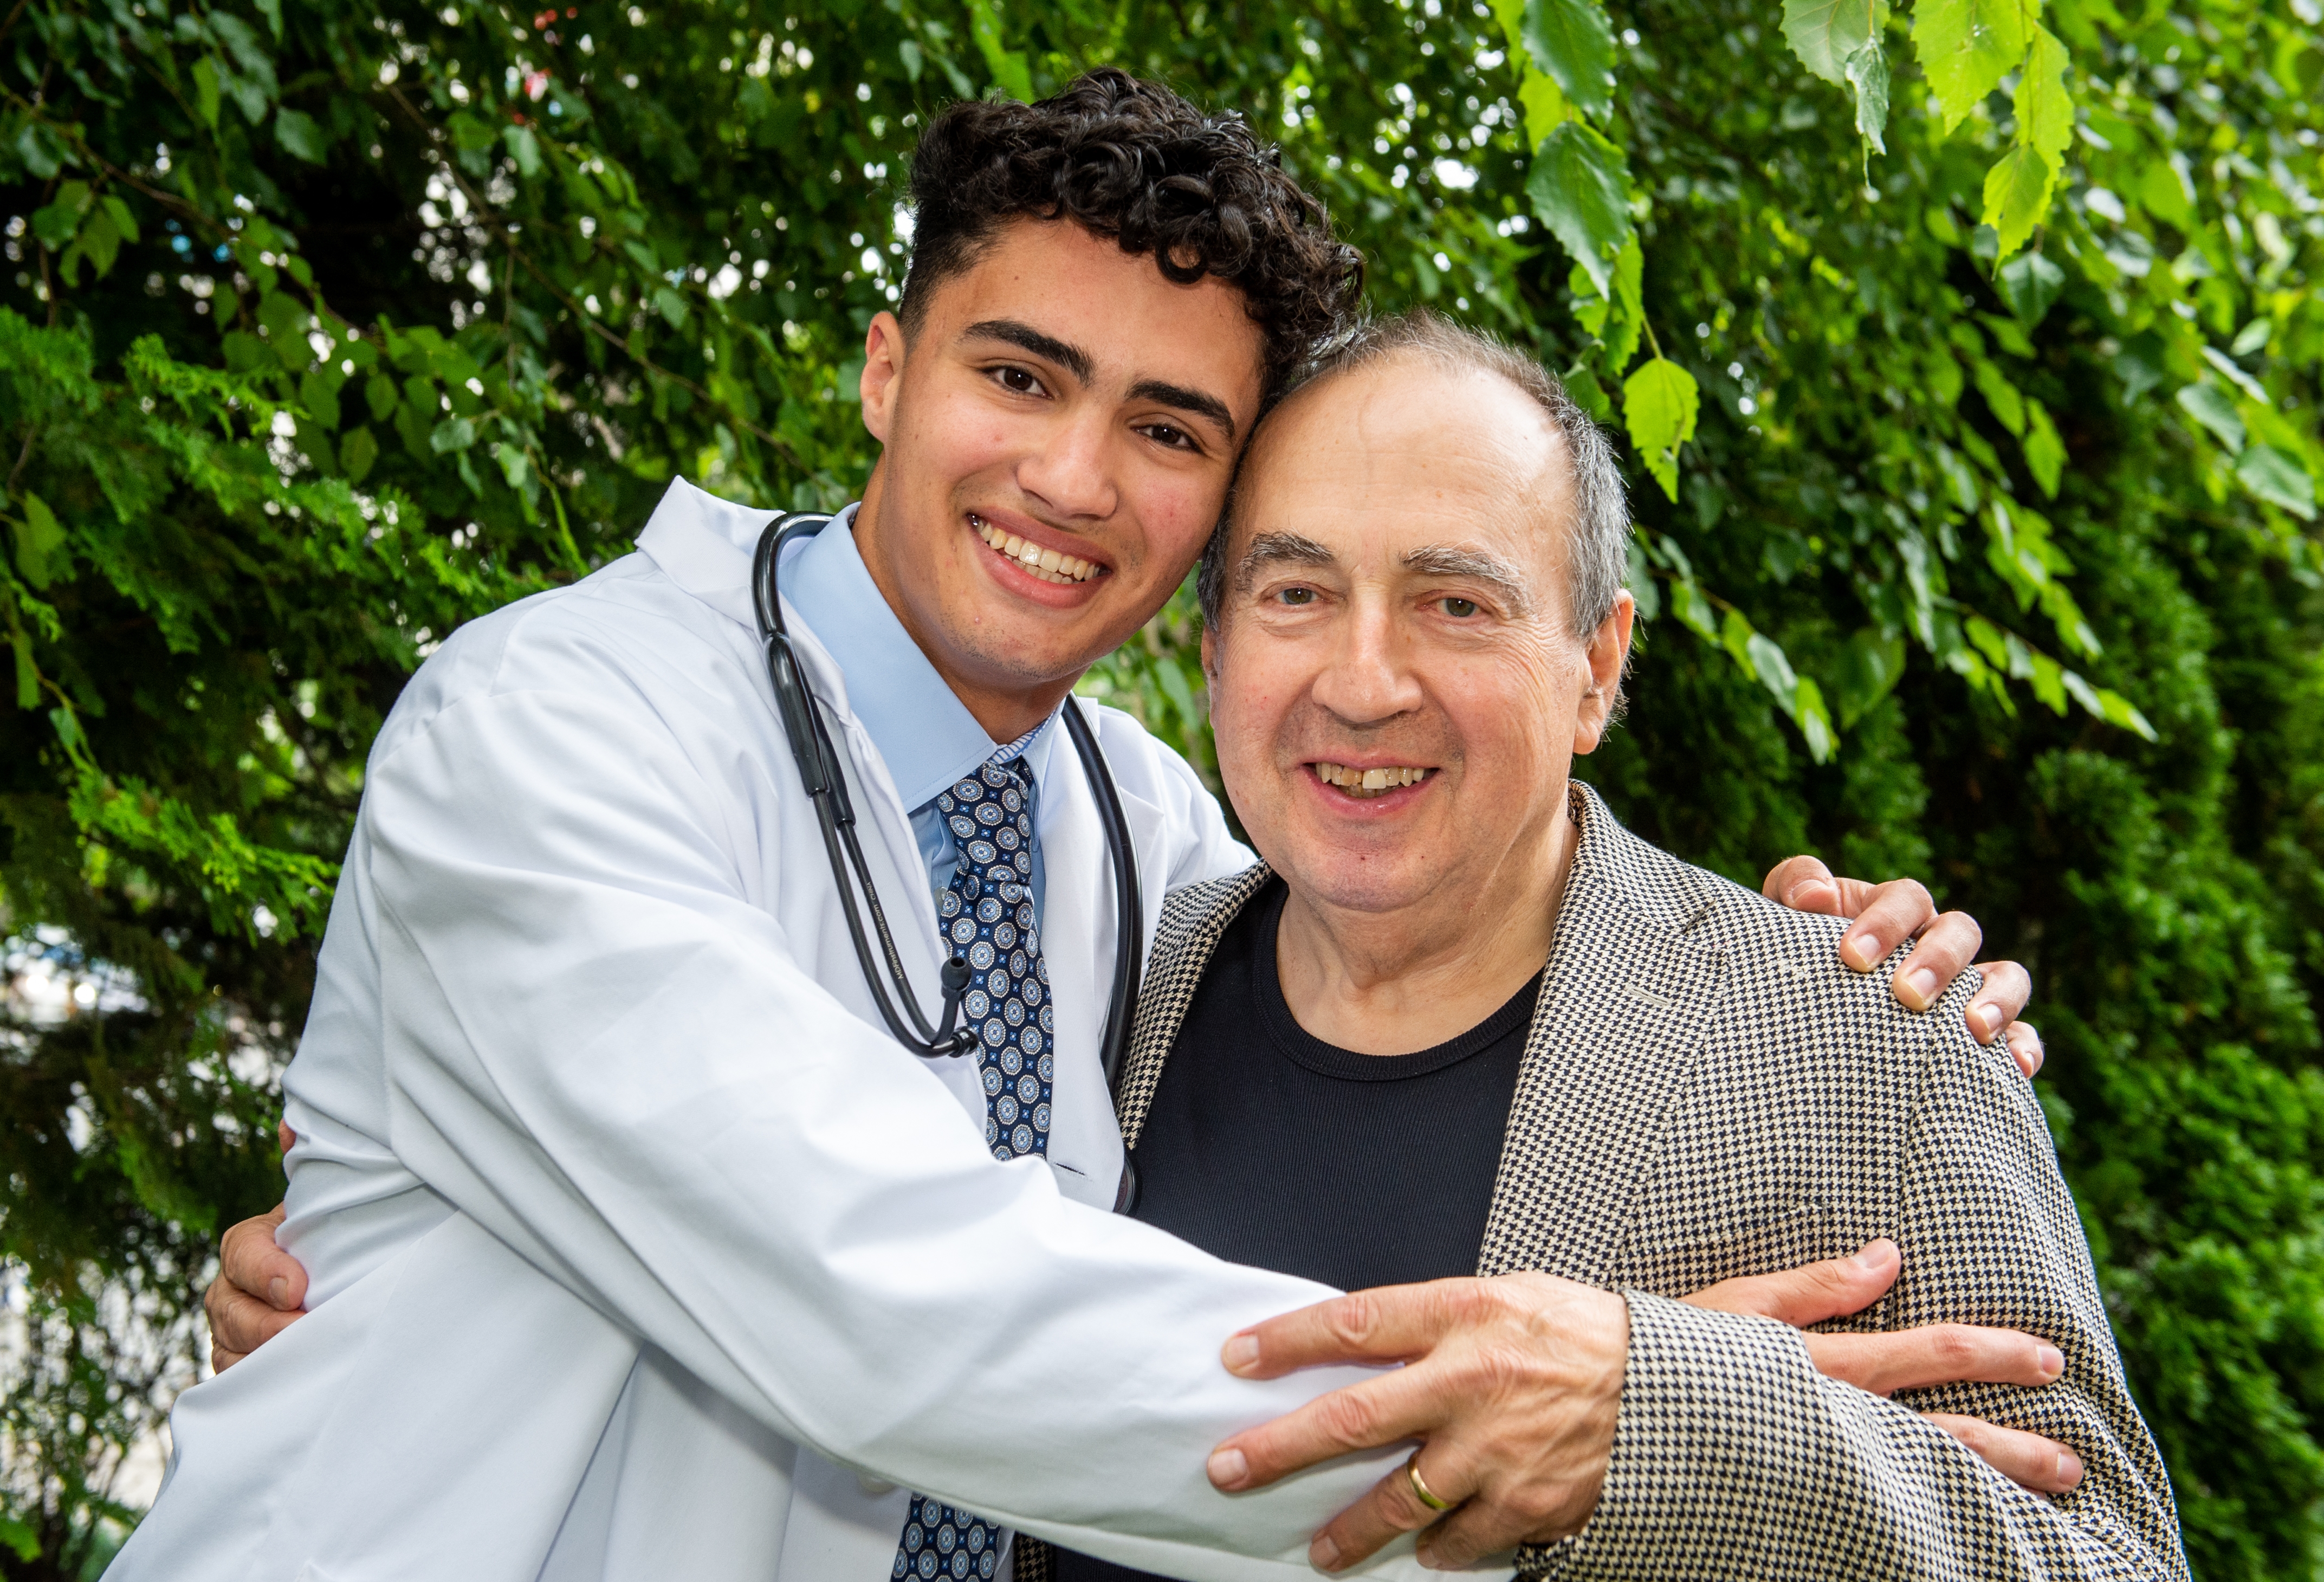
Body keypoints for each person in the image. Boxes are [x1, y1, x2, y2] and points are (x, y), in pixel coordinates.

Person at [152, 74, 2045, 1582]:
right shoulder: (550, 733)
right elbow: (882, 1300)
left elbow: (1458, 903)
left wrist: (1814, 956)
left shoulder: (1156, 838)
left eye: (1166, 427)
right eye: (1017, 375)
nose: (1070, 476)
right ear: (889, 370)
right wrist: (1591, 1420)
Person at [1027, 312, 2183, 1580]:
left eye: (1455, 602)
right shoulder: (1102, 981)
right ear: (1215, 648)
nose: (1362, 681)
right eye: (1297, 592)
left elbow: (2110, 1554)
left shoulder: (1876, 1043)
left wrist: (1659, 1420)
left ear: (1596, 666)